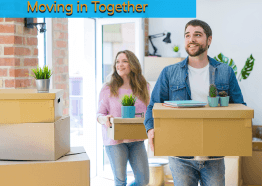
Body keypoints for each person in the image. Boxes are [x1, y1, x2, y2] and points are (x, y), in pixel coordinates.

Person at [144, 19, 246, 186]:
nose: (191, 39)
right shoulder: (169, 73)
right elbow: (153, 106)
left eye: (197, 35)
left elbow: (239, 107)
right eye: (187, 35)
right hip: (180, 155)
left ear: (209, 40)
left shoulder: (225, 71)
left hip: (215, 154)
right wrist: (150, 128)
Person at [97, 50, 150, 186]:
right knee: (120, 182)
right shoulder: (108, 89)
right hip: (115, 141)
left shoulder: (144, 88)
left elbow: (149, 111)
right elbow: (99, 115)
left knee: (143, 181)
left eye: (124, 61)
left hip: (137, 139)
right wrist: (105, 118)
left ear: (133, 64)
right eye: (117, 62)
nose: (120, 65)